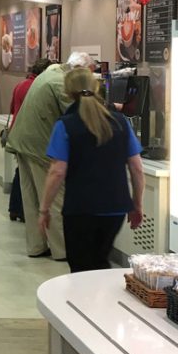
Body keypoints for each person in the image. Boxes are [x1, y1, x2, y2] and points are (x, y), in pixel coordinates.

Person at [38, 67, 145, 273]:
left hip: (80, 208)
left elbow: (57, 171)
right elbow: (137, 168)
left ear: (68, 93)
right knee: (100, 260)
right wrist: (136, 205)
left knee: (80, 265)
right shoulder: (120, 121)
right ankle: (102, 303)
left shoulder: (66, 125)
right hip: (115, 207)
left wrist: (44, 209)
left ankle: (84, 303)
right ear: (96, 88)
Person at [5, 52, 96, 260]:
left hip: (22, 141)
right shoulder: (61, 82)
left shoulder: (49, 74)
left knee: (31, 199)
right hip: (39, 146)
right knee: (54, 198)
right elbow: (79, 113)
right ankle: (63, 251)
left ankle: (36, 246)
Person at [7, 58, 54, 222]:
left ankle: (14, 209)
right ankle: (21, 210)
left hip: (17, 132)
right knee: (27, 177)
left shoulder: (20, 85)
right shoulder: (38, 86)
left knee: (20, 172)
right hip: (30, 134)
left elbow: (12, 108)